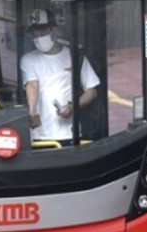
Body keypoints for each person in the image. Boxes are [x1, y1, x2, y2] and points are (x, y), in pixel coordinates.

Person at [19, 8, 100, 143]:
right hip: (40, 136)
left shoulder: (74, 56)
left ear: (54, 30)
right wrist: (32, 113)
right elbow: (32, 84)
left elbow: (92, 91)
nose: (39, 38)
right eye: (35, 34)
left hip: (70, 134)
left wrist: (72, 106)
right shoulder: (28, 60)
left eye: (43, 32)